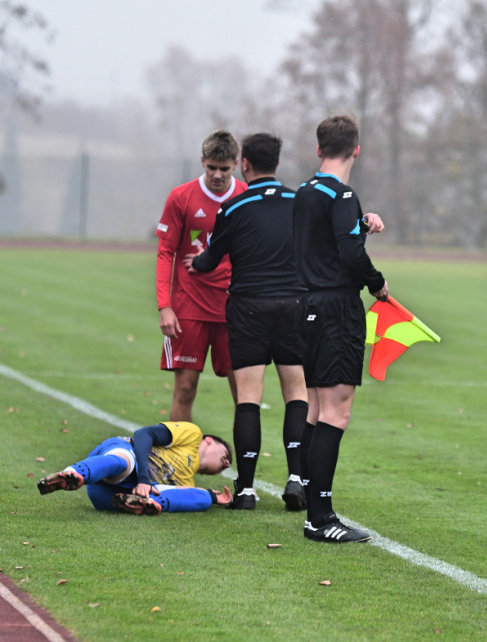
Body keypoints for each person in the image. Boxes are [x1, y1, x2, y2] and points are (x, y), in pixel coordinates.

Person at [184, 132, 309, 512]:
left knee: (249, 398)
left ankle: (247, 490)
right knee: (297, 394)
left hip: (248, 308)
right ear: (277, 164)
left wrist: (197, 262)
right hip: (293, 305)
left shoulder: (234, 208)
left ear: (244, 165)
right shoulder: (299, 203)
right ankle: (297, 479)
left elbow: (210, 259)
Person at [292, 113, 388, 542]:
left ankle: (316, 513)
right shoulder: (342, 193)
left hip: (308, 305)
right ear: (357, 150)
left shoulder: (306, 191)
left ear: (318, 149)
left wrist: (361, 225)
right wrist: (377, 282)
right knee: (336, 413)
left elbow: (329, 245)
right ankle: (321, 519)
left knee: (315, 410)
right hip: (336, 311)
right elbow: (348, 257)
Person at [154, 130, 248, 422]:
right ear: (202, 162)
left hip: (233, 311)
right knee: (184, 390)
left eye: (224, 168)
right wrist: (165, 306)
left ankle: (245, 468)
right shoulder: (181, 197)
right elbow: (165, 252)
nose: (217, 175)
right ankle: (178, 464)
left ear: (236, 164)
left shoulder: (246, 197)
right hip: (189, 310)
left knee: (244, 395)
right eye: (211, 168)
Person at [37, 422, 233, 514]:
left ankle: (145, 504)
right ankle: (74, 473)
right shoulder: (192, 435)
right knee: (123, 462)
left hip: (108, 497)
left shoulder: (188, 481)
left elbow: (190, 496)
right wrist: (143, 479)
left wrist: (213, 496)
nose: (227, 463)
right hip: (114, 458)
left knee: (200, 497)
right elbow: (143, 435)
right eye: (225, 454)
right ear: (208, 441)